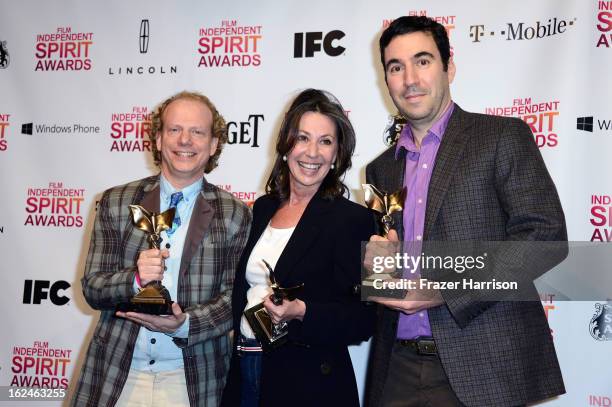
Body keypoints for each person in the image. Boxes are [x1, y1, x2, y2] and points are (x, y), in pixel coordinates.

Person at [364, 16, 567, 407]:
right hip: (397, 367)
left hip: (483, 366)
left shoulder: (501, 137)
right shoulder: (380, 168)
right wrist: (376, 268)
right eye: (395, 67)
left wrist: (445, 289)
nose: (409, 78)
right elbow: (387, 269)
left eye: (422, 61)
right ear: (385, 79)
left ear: (448, 67)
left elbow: (545, 237)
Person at [71, 91, 251, 407]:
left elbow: (234, 300)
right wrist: (134, 281)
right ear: (157, 139)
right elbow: (92, 288)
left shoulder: (235, 214)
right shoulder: (116, 202)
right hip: (119, 373)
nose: (185, 140)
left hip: (194, 378)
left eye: (197, 132)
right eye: (174, 129)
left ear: (212, 145)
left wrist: (185, 324)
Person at [221, 89, 376, 407]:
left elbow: (363, 320)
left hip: (308, 383)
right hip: (246, 368)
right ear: (286, 145)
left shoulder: (352, 219)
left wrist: (303, 312)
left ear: (337, 155)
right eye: (303, 138)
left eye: (325, 141)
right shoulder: (263, 208)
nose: (312, 153)